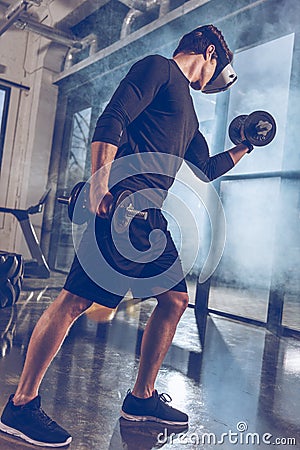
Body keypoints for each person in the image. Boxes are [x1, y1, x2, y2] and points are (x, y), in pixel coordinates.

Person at [0, 24, 252, 447]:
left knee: (175, 299)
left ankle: (141, 398)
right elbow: (112, 118)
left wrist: (246, 145)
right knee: (75, 300)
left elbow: (204, 169)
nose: (215, 79)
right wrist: (100, 183)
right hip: (120, 207)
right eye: (217, 67)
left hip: (150, 221)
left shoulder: (188, 112)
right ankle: (21, 405)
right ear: (209, 51)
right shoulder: (157, 69)